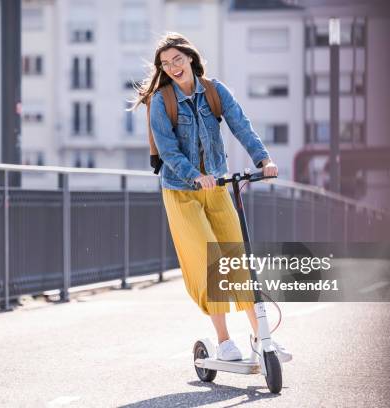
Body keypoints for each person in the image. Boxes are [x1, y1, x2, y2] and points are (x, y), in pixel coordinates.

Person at [131, 32, 292, 363]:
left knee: (238, 261)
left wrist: (264, 160)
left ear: (190, 57)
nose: (173, 67)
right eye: (165, 63)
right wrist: (194, 175)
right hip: (181, 192)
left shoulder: (215, 92)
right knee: (212, 263)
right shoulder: (162, 101)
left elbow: (241, 126)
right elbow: (168, 149)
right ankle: (223, 341)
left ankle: (262, 338)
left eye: (177, 59)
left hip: (217, 186)